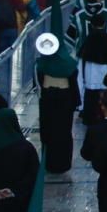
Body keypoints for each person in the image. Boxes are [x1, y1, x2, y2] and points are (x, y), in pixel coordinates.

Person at [36, 14, 79, 174]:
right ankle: (58, 163)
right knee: (58, 132)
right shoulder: (65, 63)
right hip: (59, 99)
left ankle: (54, 163)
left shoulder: (44, 64)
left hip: (53, 99)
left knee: (53, 132)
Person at [78, 11, 107, 125]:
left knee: (91, 98)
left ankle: (89, 118)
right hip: (106, 73)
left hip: (91, 75)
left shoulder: (89, 39)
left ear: (91, 24)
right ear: (104, 24)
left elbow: (82, 57)